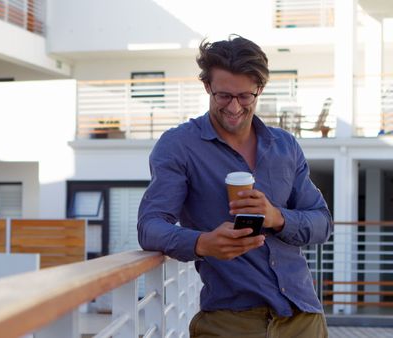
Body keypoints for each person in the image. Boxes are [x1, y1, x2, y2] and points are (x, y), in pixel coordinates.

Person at [137, 35, 332, 338]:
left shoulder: (285, 146)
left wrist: (277, 217)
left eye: (245, 96)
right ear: (207, 88)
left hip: (303, 317)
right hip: (229, 322)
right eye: (223, 95)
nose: (234, 107)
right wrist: (202, 243)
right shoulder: (178, 146)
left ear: (259, 90)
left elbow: (322, 222)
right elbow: (150, 226)